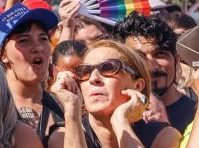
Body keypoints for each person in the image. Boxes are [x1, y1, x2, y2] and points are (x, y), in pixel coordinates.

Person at [49, 39, 181, 148]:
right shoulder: (63, 136)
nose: (94, 78)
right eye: (85, 71)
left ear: (138, 86)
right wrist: (72, 110)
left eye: (108, 68)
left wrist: (120, 122)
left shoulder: (163, 136)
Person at [0, 0, 65, 142]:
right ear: (3, 54)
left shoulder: (65, 104)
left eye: (43, 39)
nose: (37, 47)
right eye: (24, 40)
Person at [113, 12, 197, 134]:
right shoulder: (112, 115)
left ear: (177, 59)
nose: (150, 67)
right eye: (138, 57)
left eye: (160, 54)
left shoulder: (195, 115)